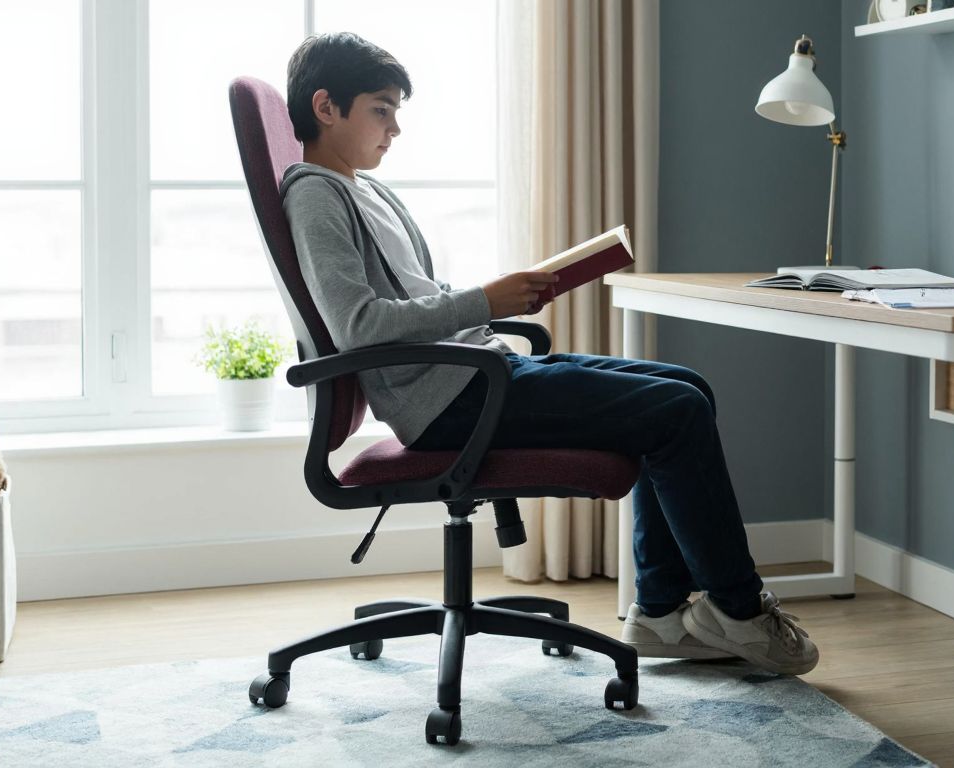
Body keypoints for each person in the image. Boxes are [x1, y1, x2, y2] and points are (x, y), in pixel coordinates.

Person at [280, 32, 818, 676]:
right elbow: (358, 325)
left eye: (397, 111)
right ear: (326, 107)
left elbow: (421, 297)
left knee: (687, 387)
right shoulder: (316, 194)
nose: (395, 128)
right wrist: (488, 300)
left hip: (481, 373)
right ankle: (738, 609)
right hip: (451, 403)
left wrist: (502, 298)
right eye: (381, 109)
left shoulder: (367, 189)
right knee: (674, 411)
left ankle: (661, 614)